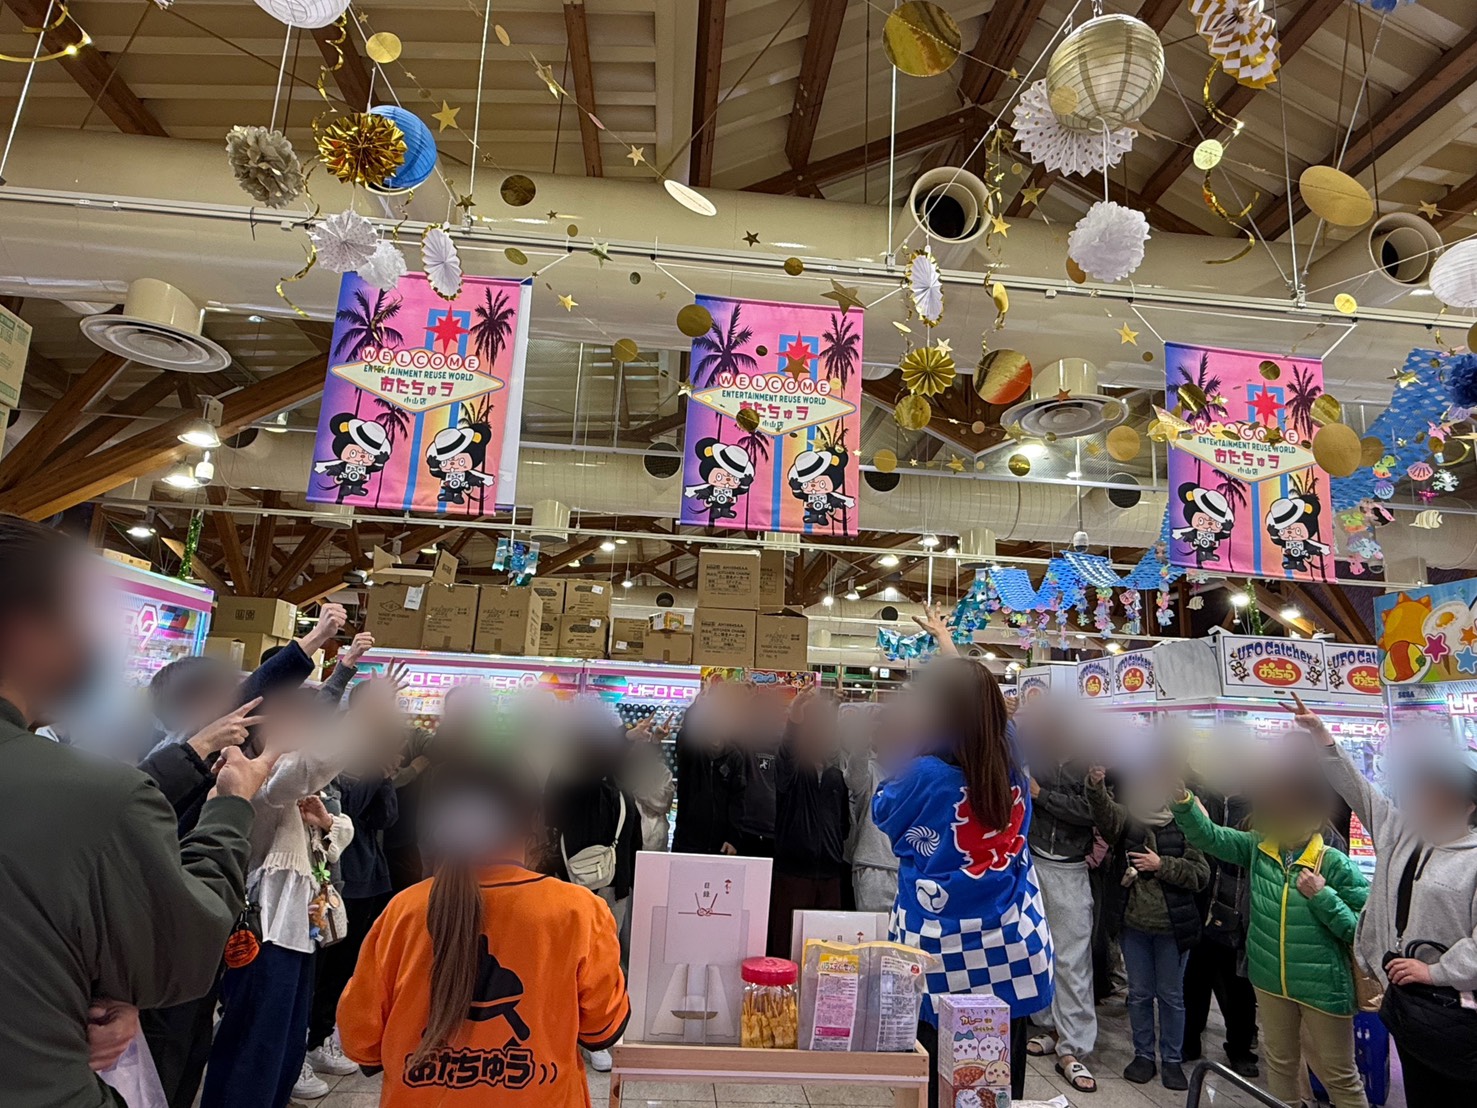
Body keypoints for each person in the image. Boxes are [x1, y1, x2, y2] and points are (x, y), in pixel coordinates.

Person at [0, 513, 277, 1107]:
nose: (91, 644)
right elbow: (182, 954)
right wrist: (230, 808)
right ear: (23, 630)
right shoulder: (100, 794)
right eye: (79, 617)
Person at [138, 608, 356, 1108]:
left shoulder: (208, 756)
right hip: (200, 926)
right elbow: (295, 767)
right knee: (189, 1049)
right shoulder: (180, 761)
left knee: (201, 1043)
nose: (244, 703)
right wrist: (327, 660)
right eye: (223, 694)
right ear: (190, 704)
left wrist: (318, 643)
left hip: (221, 922)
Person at [338, 748, 630, 1106]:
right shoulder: (579, 911)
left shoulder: (403, 911)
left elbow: (361, 1039)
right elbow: (602, 1027)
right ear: (534, 819)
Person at [873, 656, 1053, 1105]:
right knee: (996, 1073)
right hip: (1010, 947)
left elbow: (883, 810)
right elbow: (993, 723)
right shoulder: (1012, 765)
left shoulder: (923, 774)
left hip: (938, 951)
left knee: (934, 1075)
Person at [1292, 693, 1477, 1102]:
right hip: (1405, 1002)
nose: (1424, 799)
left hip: (1455, 1011)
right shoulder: (1401, 832)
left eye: (1438, 793)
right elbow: (1357, 790)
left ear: (1467, 806)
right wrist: (1322, 736)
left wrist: (1436, 972)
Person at [1172, 748, 1370, 1108]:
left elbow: (1363, 931)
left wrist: (1323, 897)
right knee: (1280, 1064)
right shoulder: (1259, 848)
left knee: (1340, 1075)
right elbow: (1211, 837)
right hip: (1270, 981)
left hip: (1323, 988)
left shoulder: (1333, 861)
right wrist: (1183, 802)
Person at [200, 688, 359, 1108]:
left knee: (286, 1036)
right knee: (256, 1039)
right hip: (264, 929)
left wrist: (326, 822)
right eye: (288, 718)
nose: (301, 727)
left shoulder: (287, 777)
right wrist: (362, 717)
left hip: (298, 926)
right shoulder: (251, 775)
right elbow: (305, 769)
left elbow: (340, 831)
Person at [305, 680, 407, 1084]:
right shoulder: (335, 745)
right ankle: (303, 1046)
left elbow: (385, 817)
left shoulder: (378, 745)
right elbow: (342, 808)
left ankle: (320, 1038)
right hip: (336, 873)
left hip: (369, 871)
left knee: (345, 965)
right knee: (318, 967)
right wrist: (375, 774)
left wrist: (385, 776)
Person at [1086, 757, 1209, 1091]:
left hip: (1174, 927)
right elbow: (1106, 816)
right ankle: (1143, 1055)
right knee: (1139, 994)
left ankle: (1171, 1060)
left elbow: (1200, 874)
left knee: (1171, 996)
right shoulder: (1131, 815)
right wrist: (1095, 785)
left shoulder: (1189, 818)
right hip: (1133, 923)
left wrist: (1161, 864)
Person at [1018, 701, 1099, 1095]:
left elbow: (1093, 812)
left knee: (1072, 959)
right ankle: (1050, 1026)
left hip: (1071, 868)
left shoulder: (1091, 766)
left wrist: (1042, 795)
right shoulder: (1032, 757)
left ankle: (1075, 1045)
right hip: (1033, 863)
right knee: (1038, 950)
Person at [1179, 782, 1260, 1078]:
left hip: (1240, 909)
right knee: (1195, 979)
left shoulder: (1258, 806)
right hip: (1202, 905)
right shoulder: (1203, 794)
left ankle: (1240, 1049)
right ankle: (1189, 1040)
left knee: (1238, 985)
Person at [768, 690, 852, 956]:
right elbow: (787, 752)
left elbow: (843, 825)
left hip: (830, 875)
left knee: (826, 951)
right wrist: (795, 716)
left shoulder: (835, 776)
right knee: (786, 945)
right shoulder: (790, 772)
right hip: (793, 872)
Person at [670, 685, 746, 856]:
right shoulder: (692, 748)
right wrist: (697, 706)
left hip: (721, 845)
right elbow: (686, 731)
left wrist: (733, 838)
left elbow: (737, 800)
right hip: (687, 841)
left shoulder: (734, 756)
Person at [841, 703, 899, 914]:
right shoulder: (869, 772)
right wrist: (863, 733)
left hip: (907, 868)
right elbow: (854, 774)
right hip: (873, 866)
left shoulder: (913, 776)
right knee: (873, 931)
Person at [620, 714, 675, 852]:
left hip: (654, 845)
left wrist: (637, 788)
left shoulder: (661, 771)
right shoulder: (617, 772)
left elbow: (662, 802)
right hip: (625, 845)